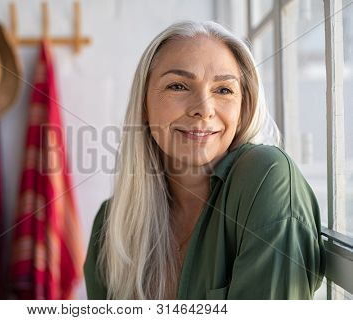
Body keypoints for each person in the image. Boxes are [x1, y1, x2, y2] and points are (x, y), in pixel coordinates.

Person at [83, 20, 326, 300]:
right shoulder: (111, 223)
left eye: (223, 90)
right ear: (144, 106)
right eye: (178, 86)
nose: (203, 109)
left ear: (243, 106)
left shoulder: (267, 179)